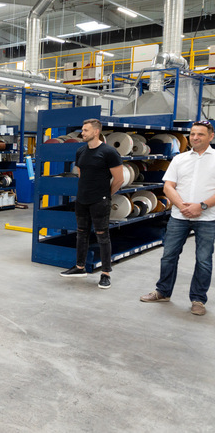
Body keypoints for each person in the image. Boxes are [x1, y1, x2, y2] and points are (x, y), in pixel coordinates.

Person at [140, 121, 215, 315]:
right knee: (169, 256)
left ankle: (198, 300)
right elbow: (168, 187)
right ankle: (163, 291)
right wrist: (183, 206)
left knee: (204, 260)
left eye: (200, 134)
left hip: (207, 218)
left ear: (211, 137)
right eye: (193, 134)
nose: (195, 137)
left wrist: (202, 206)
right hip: (178, 216)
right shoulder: (180, 159)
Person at [60, 119, 124, 289]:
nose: (83, 133)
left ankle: (105, 273)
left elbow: (119, 179)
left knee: (103, 236)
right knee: (81, 233)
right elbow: (81, 173)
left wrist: (105, 195)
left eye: (86, 130)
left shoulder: (109, 152)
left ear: (96, 132)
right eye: (82, 129)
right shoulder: (81, 151)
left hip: (100, 201)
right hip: (81, 199)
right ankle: (80, 267)